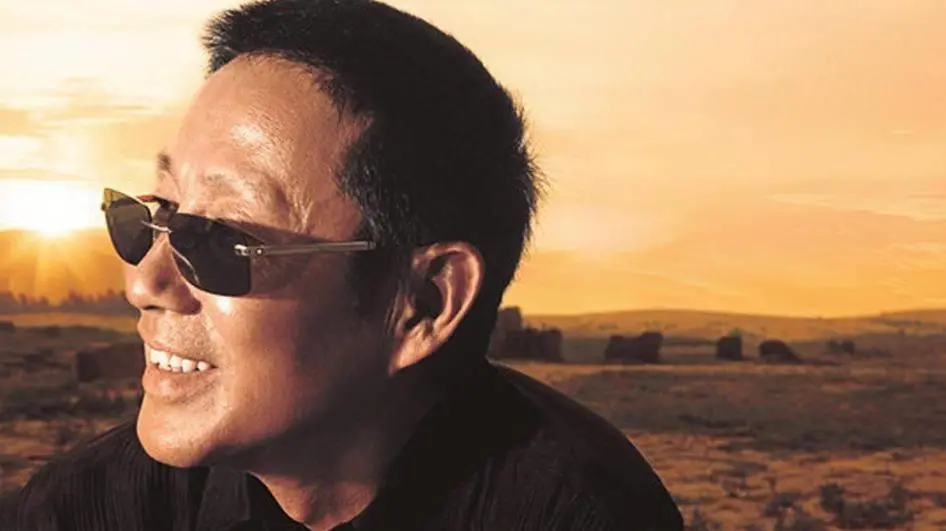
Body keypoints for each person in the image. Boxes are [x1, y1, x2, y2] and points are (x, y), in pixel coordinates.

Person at [2, 1, 683, 529]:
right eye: (158, 211)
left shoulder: (575, 514)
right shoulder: (93, 506)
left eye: (223, 237)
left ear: (423, 302)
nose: (143, 282)